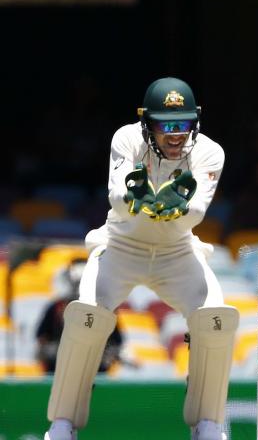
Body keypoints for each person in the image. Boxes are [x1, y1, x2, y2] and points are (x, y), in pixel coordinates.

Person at [44, 77, 238, 440]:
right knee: (86, 313)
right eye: (166, 125)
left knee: (215, 317)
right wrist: (142, 201)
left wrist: (167, 207)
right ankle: (62, 424)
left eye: (182, 124)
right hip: (121, 248)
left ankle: (208, 424)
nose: (176, 135)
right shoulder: (127, 138)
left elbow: (195, 212)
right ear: (147, 124)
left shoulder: (211, 152)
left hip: (177, 252)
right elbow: (118, 196)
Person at [36, 259, 123, 373]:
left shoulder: (104, 310)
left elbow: (116, 341)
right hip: (60, 367)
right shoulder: (56, 307)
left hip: (95, 369)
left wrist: (106, 353)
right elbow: (42, 338)